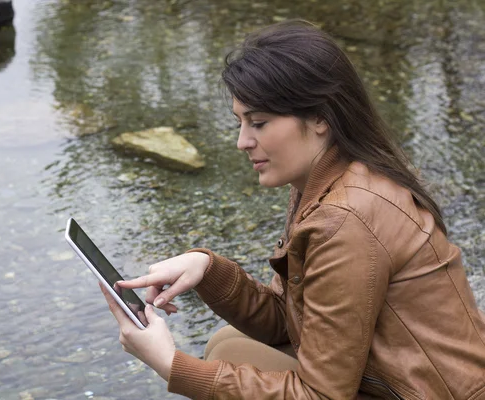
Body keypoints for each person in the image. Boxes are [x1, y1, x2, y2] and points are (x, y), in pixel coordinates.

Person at [99, 20, 485, 399]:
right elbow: (291, 323)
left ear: (320, 116)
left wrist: (171, 366)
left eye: (259, 123)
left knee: (229, 353)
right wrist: (207, 270)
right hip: (399, 381)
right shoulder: (330, 179)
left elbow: (320, 395)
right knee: (228, 343)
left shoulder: (347, 219)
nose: (242, 142)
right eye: (240, 123)